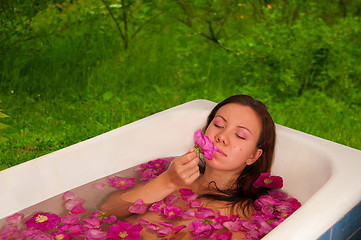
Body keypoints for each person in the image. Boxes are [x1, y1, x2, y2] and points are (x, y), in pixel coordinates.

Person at [100, 94, 276, 239]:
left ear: (253, 156)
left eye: (240, 135)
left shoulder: (237, 221)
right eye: (218, 125)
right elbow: (106, 211)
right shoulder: (176, 177)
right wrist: (167, 182)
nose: (222, 136)